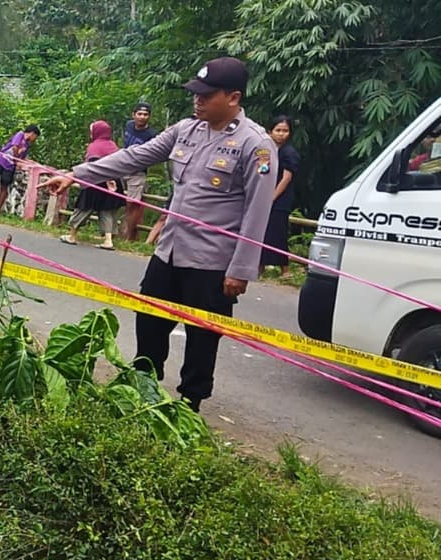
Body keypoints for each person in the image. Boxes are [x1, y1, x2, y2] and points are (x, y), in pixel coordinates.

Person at [43, 56, 277, 412]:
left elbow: (258, 212)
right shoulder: (185, 130)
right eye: (195, 94)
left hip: (212, 263)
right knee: (149, 321)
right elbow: (133, 157)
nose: (196, 100)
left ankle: (189, 405)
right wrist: (76, 175)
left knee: (202, 337)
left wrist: (241, 269)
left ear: (233, 97)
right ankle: (144, 390)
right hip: (169, 251)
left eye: (206, 94)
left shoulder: (255, 145)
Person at [59, 120, 125, 250]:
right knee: (107, 210)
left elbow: (92, 164)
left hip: (95, 180)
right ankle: (108, 240)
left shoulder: (94, 146)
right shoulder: (112, 145)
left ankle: (72, 235)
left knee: (83, 208)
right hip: (113, 182)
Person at [261, 115, 300, 276]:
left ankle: (285, 270)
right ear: (270, 132)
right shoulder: (267, 150)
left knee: (278, 233)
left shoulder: (288, 152)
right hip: (265, 197)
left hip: (280, 200)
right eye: (278, 130)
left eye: (285, 131)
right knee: (264, 233)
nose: (281, 134)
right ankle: (260, 267)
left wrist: (272, 198)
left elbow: (287, 178)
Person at [0, 124, 39, 213]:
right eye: (35, 137)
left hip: (10, 166)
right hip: (1, 160)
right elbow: (15, 147)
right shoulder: (20, 135)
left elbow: (21, 157)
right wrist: (17, 156)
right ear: (32, 134)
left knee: (4, 186)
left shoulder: (27, 145)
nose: (34, 139)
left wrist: (28, 161)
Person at [121, 102, 159, 241]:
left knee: (133, 203)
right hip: (122, 166)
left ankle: (128, 236)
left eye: (146, 114)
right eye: (140, 114)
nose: (142, 117)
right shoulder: (129, 126)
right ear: (134, 115)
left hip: (138, 171)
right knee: (115, 198)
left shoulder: (152, 134)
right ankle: (112, 231)